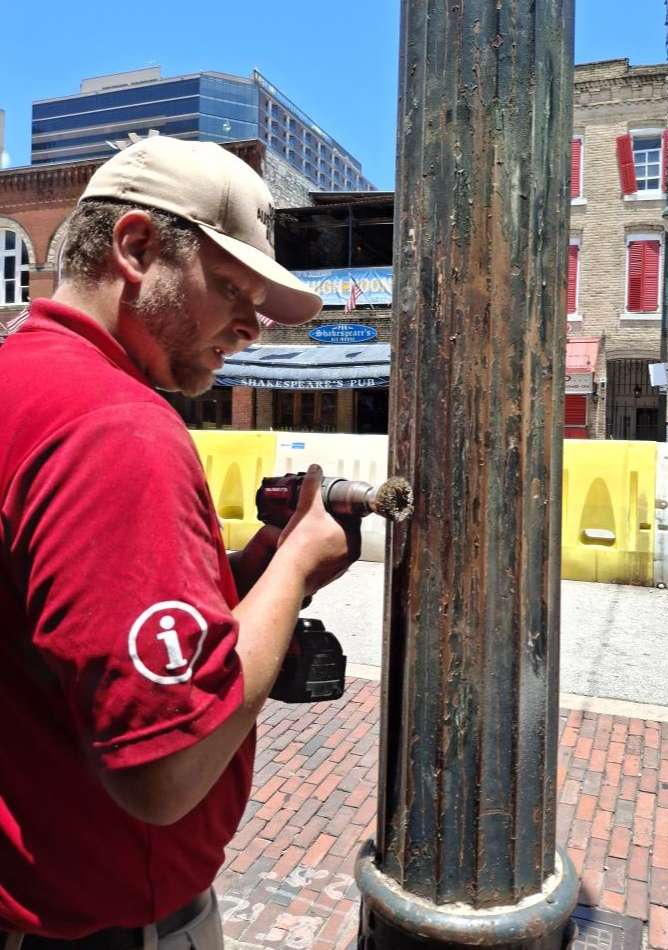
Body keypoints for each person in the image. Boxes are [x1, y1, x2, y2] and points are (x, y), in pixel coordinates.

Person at [0, 136, 360, 948]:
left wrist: (258, 571)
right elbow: (165, 770)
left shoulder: (21, 380)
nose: (252, 328)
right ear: (134, 248)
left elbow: (64, 628)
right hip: (96, 926)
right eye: (232, 288)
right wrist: (298, 560)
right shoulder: (116, 431)